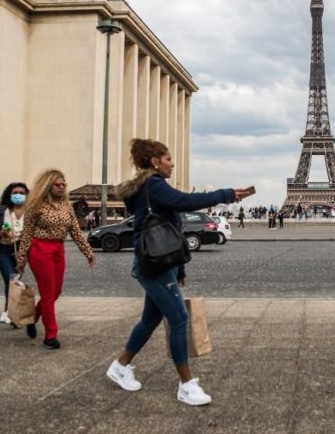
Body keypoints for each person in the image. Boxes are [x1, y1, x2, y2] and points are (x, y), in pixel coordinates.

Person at [106, 138, 253, 406]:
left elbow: (172, 228)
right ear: (155, 162)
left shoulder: (149, 188)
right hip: (154, 265)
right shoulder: (154, 185)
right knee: (180, 319)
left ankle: (120, 365)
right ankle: (186, 385)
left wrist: (180, 267)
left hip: (161, 262)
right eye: (168, 159)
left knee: (150, 320)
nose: (172, 164)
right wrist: (227, 194)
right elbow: (186, 201)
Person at [15, 170, 96, 349]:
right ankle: (51, 335)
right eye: (57, 184)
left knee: (56, 292)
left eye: (63, 184)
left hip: (58, 249)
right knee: (48, 292)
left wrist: (88, 253)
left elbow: (76, 232)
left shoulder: (67, 206)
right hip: (39, 249)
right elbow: (27, 234)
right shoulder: (36, 205)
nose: (62, 187)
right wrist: (21, 260)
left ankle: (33, 317)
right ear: (47, 186)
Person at [0, 182, 30, 325]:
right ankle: (13, 313)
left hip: (21, 252)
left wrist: (25, 254)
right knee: (12, 280)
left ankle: (6, 311)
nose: (18, 195)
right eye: (15, 193)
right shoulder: (1, 211)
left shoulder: (31, 212)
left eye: (22, 193)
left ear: (27, 196)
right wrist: (0, 235)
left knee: (12, 282)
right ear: (9, 195)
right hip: (3, 250)